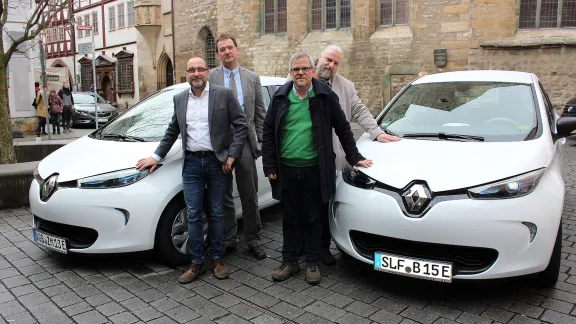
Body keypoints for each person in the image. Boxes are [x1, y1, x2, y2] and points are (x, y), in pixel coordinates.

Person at [262, 50, 373, 285]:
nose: (300, 73)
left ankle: (312, 262)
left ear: (313, 71)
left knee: (313, 216)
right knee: (290, 217)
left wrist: (355, 157)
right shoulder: (281, 97)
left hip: (315, 168)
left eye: (305, 68)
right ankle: (289, 261)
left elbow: (343, 127)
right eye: (296, 69)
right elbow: (269, 132)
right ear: (290, 73)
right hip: (287, 168)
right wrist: (269, 163)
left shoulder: (325, 96)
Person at [136, 57, 248, 284]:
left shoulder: (223, 94)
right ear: (185, 74)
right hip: (193, 165)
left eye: (200, 69)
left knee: (217, 212)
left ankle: (216, 258)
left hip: (218, 163)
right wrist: (156, 157)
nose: (196, 73)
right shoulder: (179, 99)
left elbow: (241, 124)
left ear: (207, 72)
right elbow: (172, 130)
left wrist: (232, 154)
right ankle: (196, 262)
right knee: (194, 215)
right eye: (191, 70)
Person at [313, 45, 401, 264]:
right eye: (328, 60)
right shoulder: (302, 79)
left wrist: (377, 132)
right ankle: (304, 249)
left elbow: (359, 110)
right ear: (319, 58)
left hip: (332, 157)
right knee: (305, 207)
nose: (330, 65)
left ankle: (323, 249)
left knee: (326, 205)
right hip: (305, 156)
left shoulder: (345, 86)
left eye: (335, 63)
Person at [208, 34, 267, 259]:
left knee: (249, 193)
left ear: (237, 49)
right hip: (220, 143)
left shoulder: (251, 77)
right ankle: (229, 238)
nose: (226, 52)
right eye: (222, 49)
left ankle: (253, 238)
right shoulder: (211, 77)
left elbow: (259, 112)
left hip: (244, 143)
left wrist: (260, 142)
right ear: (218, 54)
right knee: (223, 194)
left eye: (230, 47)